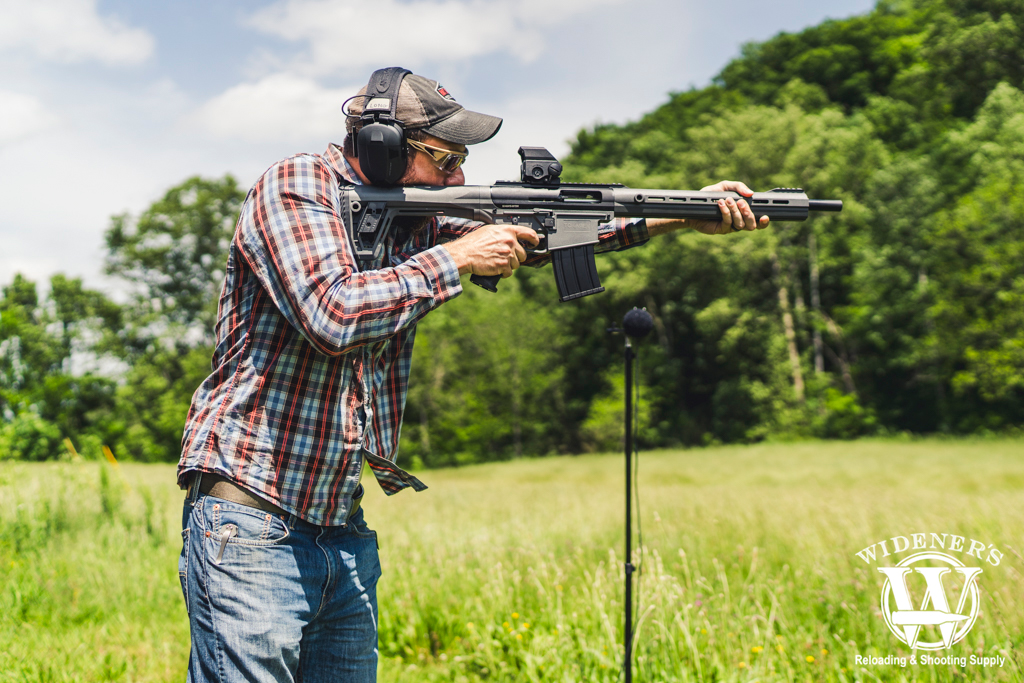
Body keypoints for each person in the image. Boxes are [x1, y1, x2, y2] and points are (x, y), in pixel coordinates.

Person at [175, 68, 768, 683]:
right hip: (251, 523)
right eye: (445, 158)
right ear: (382, 146)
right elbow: (334, 311)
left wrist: (684, 213)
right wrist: (455, 257)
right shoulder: (296, 186)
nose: (459, 178)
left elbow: (550, 233)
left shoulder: (414, 216)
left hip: (338, 527)